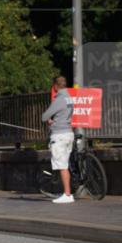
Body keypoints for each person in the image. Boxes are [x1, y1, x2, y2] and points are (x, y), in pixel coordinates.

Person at [41, 75, 75, 204]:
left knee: (62, 166)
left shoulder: (59, 99)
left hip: (59, 135)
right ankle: (67, 193)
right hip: (68, 133)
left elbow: (44, 117)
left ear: (55, 86)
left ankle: (67, 194)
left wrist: (50, 120)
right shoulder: (69, 98)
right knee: (65, 164)